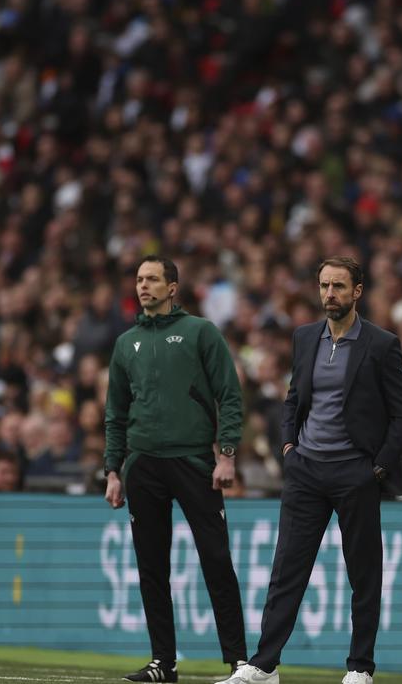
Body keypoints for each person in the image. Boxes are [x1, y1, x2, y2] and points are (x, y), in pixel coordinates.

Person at [221, 257, 402, 684]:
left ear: (357, 292)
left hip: (355, 473)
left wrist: (376, 469)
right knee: (287, 569)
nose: (329, 294)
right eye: (325, 285)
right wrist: (289, 447)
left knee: (363, 573)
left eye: (339, 287)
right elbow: (294, 399)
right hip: (306, 470)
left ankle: (360, 667)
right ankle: (265, 665)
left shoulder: (381, 345)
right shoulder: (305, 337)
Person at [103, 255, 247, 683]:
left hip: (194, 462)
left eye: (152, 279)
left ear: (172, 288)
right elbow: (115, 412)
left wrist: (227, 454)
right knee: (151, 568)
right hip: (143, 464)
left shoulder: (199, 332)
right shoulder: (125, 343)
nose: (143, 286)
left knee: (216, 560)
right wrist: (113, 470)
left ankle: (240, 662)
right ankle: (163, 663)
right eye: (139, 279)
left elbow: (230, 394)